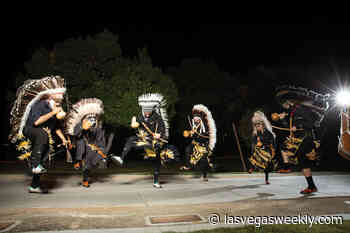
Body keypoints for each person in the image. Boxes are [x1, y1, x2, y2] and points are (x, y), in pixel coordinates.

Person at [9, 76, 68, 193]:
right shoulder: (40, 104)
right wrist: (52, 113)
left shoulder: (55, 107)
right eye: (59, 95)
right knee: (42, 134)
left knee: (43, 162)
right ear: (50, 95)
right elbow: (36, 122)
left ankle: (34, 186)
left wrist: (63, 139)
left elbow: (55, 127)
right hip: (30, 129)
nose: (61, 97)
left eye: (62, 95)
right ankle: (35, 165)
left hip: (43, 136)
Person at [112, 93, 179, 188]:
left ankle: (156, 181)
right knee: (131, 139)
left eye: (149, 112)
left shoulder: (157, 117)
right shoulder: (140, 116)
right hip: (144, 139)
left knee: (157, 157)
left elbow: (163, 129)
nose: (147, 114)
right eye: (145, 112)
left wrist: (159, 134)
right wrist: (133, 123)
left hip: (154, 141)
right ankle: (121, 158)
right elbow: (135, 124)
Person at [274, 86, 329, 194]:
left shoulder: (300, 109)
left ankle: (287, 167)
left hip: (305, 138)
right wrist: (283, 119)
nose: (283, 106)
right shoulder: (293, 112)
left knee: (284, 148)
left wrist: (298, 125)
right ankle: (312, 186)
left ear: (288, 101)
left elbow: (310, 122)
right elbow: (290, 126)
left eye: (283, 103)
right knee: (304, 164)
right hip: (299, 138)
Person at [65, 98, 114, 188]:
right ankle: (80, 167)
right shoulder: (80, 125)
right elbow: (76, 135)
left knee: (91, 164)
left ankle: (87, 170)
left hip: (94, 148)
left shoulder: (99, 128)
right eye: (90, 119)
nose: (92, 121)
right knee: (85, 161)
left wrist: (102, 151)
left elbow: (101, 140)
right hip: (82, 147)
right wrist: (82, 128)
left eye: (94, 119)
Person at [180, 104, 217, 182]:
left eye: (197, 119)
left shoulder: (206, 126)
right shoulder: (192, 124)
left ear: (200, 119)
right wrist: (188, 133)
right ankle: (188, 165)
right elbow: (187, 133)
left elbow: (206, 136)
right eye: (195, 119)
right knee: (187, 150)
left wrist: (197, 133)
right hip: (195, 143)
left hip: (203, 145)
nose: (196, 120)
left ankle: (204, 175)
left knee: (203, 161)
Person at [247, 111, 277, 185]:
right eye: (256, 126)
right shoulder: (256, 134)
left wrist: (272, 149)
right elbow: (253, 143)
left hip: (267, 150)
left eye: (259, 126)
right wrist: (255, 147)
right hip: (260, 149)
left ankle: (266, 179)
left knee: (267, 165)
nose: (257, 127)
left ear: (262, 125)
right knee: (255, 154)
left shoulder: (268, 133)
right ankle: (251, 168)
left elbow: (272, 142)